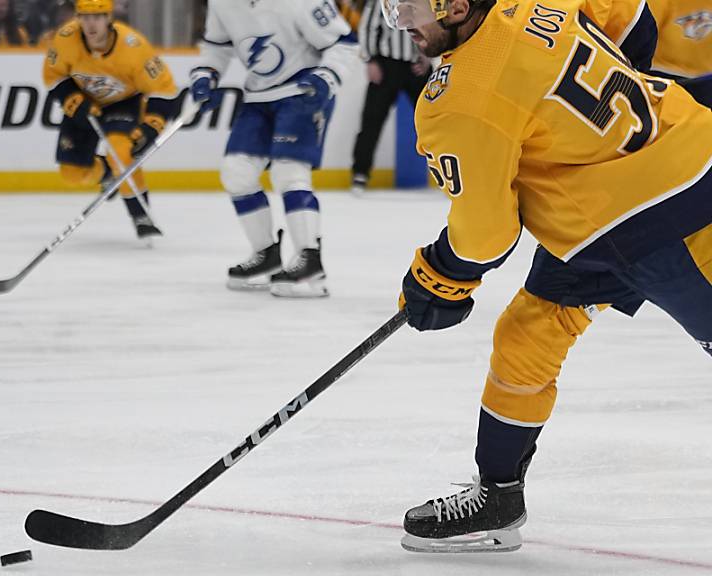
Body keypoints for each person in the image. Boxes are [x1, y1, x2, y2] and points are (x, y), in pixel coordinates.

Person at [380, 0, 712, 553]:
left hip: (681, 206)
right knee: (527, 335)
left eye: (407, 9)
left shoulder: (462, 100)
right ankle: (499, 495)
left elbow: (485, 236)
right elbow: (634, 17)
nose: (400, 23)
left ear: (457, 6)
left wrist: (439, 276)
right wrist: (601, 136)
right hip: (606, 219)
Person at [190, 0, 359, 297]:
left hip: (302, 92)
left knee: (288, 172)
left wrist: (327, 76)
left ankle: (310, 259)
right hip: (258, 97)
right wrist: (205, 73)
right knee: (236, 173)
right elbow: (217, 45)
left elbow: (343, 42)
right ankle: (265, 254)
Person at [42, 0, 178, 242]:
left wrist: (152, 125)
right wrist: (73, 101)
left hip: (123, 103)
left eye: (97, 17)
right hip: (83, 104)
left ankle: (141, 215)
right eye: (84, 17)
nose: (90, 24)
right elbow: (53, 76)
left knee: (121, 152)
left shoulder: (133, 46)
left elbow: (163, 89)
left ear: (109, 18)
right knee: (71, 174)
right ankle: (106, 173)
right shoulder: (65, 38)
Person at [350, 0, 431, 195]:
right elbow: (368, 27)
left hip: (416, 67)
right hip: (387, 65)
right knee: (372, 120)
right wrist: (370, 60)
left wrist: (427, 57)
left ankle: (452, 171)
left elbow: (431, 25)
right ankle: (360, 173)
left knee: (435, 119)